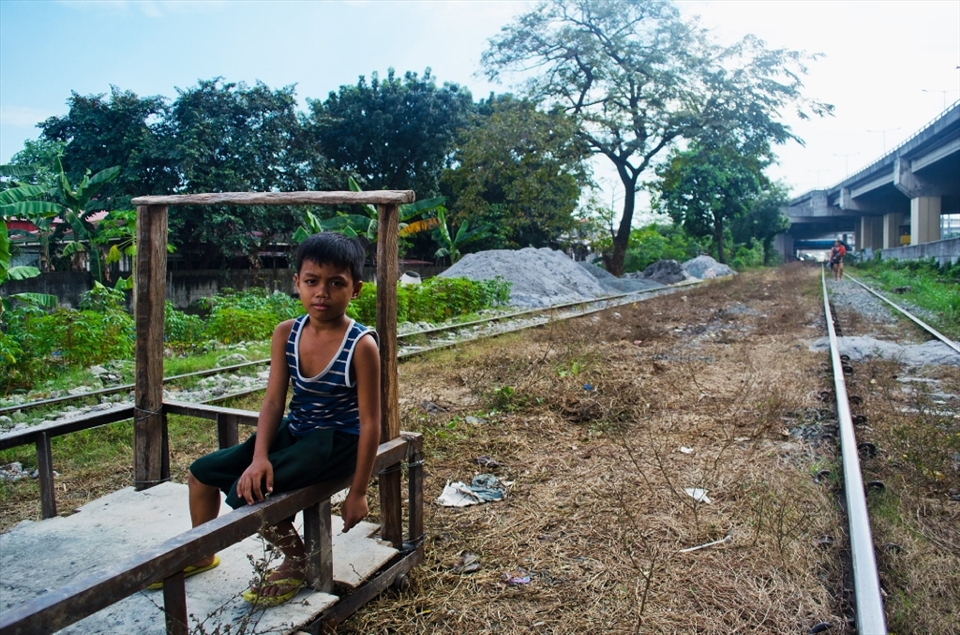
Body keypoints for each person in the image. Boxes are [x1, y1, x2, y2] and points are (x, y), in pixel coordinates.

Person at [151, 232, 381, 607]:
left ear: (355, 289)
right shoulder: (286, 333)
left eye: (335, 283)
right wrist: (259, 457)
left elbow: (372, 422)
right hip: (297, 429)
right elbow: (274, 402)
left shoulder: (361, 345)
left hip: (337, 441)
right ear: (297, 284)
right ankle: (202, 551)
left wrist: (358, 492)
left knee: (247, 496)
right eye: (312, 282)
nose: (321, 292)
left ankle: (296, 558)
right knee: (200, 474)